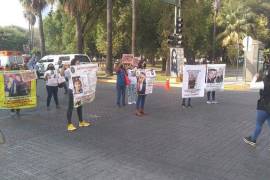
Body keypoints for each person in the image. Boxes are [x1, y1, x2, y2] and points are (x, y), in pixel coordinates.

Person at [243, 70, 270, 147]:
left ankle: (253, 140)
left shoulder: (264, 83)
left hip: (263, 107)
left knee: (259, 124)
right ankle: (252, 138)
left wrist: (255, 77)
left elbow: (252, 86)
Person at [65, 58, 90, 132]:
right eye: (77, 63)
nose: (79, 64)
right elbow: (62, 74)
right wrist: (64, 67)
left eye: (79, 63)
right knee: (70, 107)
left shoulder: (80, 70)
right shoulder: (70, 70)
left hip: (79, 90)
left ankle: (81, 122)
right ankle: (69, 124)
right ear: (73, 64)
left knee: (79, 106)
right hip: (72, 90)